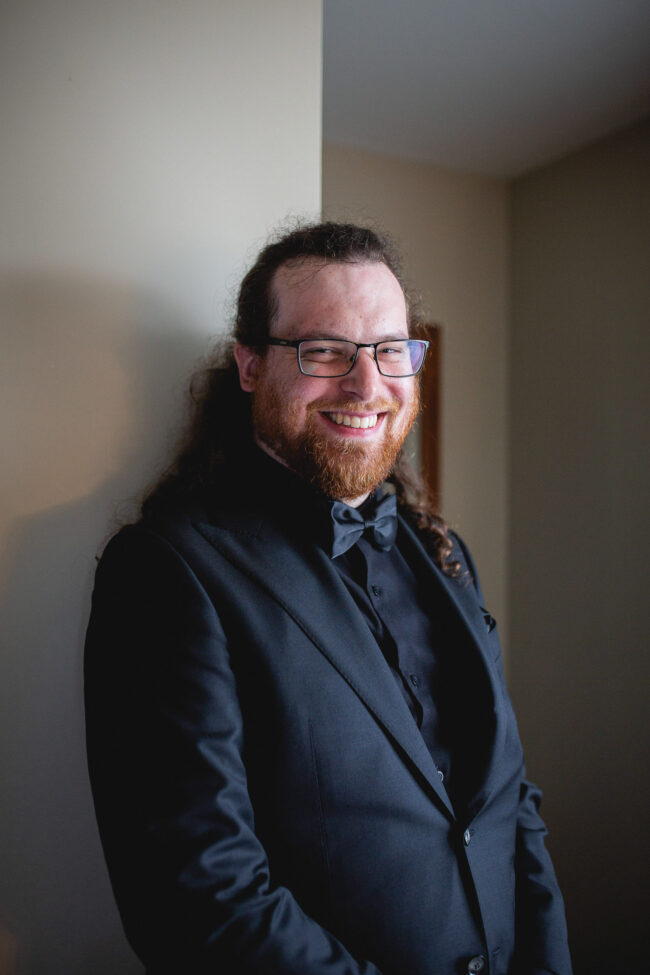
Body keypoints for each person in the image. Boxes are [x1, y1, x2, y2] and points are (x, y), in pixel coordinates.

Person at [84, 222, 572, 975]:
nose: (367, 385)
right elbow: (197, 898)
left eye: (389, 350)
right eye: (324, 351)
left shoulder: (447, 556)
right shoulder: (166, 570)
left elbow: (512, 805)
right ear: (251, 365)